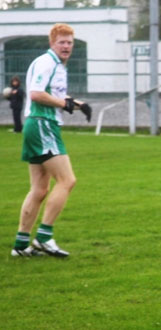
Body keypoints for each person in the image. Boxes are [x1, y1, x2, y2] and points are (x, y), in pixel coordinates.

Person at [11, 23, 92, 258]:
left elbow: (55, 94)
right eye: (62, 42)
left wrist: (77, 104)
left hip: (37, 125)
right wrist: (63, 104)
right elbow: (37, 93)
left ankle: (21, 244)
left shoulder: (55, 64)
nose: (66, 46)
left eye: (69, 43)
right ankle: (44, 237)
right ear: (52, 43)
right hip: (42, 123)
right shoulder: (47, 62)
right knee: (67, 180)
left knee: (39, 189)